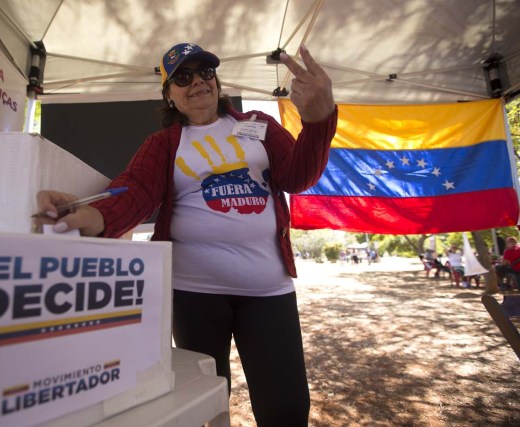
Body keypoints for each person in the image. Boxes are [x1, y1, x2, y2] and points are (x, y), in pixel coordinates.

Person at [35, 42, 337, 426]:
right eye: (183, 77)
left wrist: (318, 123)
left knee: (286, 408)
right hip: (194, 295)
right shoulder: (164, 144)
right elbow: (135, 191)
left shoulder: (258, 123)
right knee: (207, 404)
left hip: (268, 292)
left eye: (205, 72)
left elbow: (299, 177)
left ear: (217, 81)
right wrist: (93, 215)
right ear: (170, 96)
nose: (197, 81)